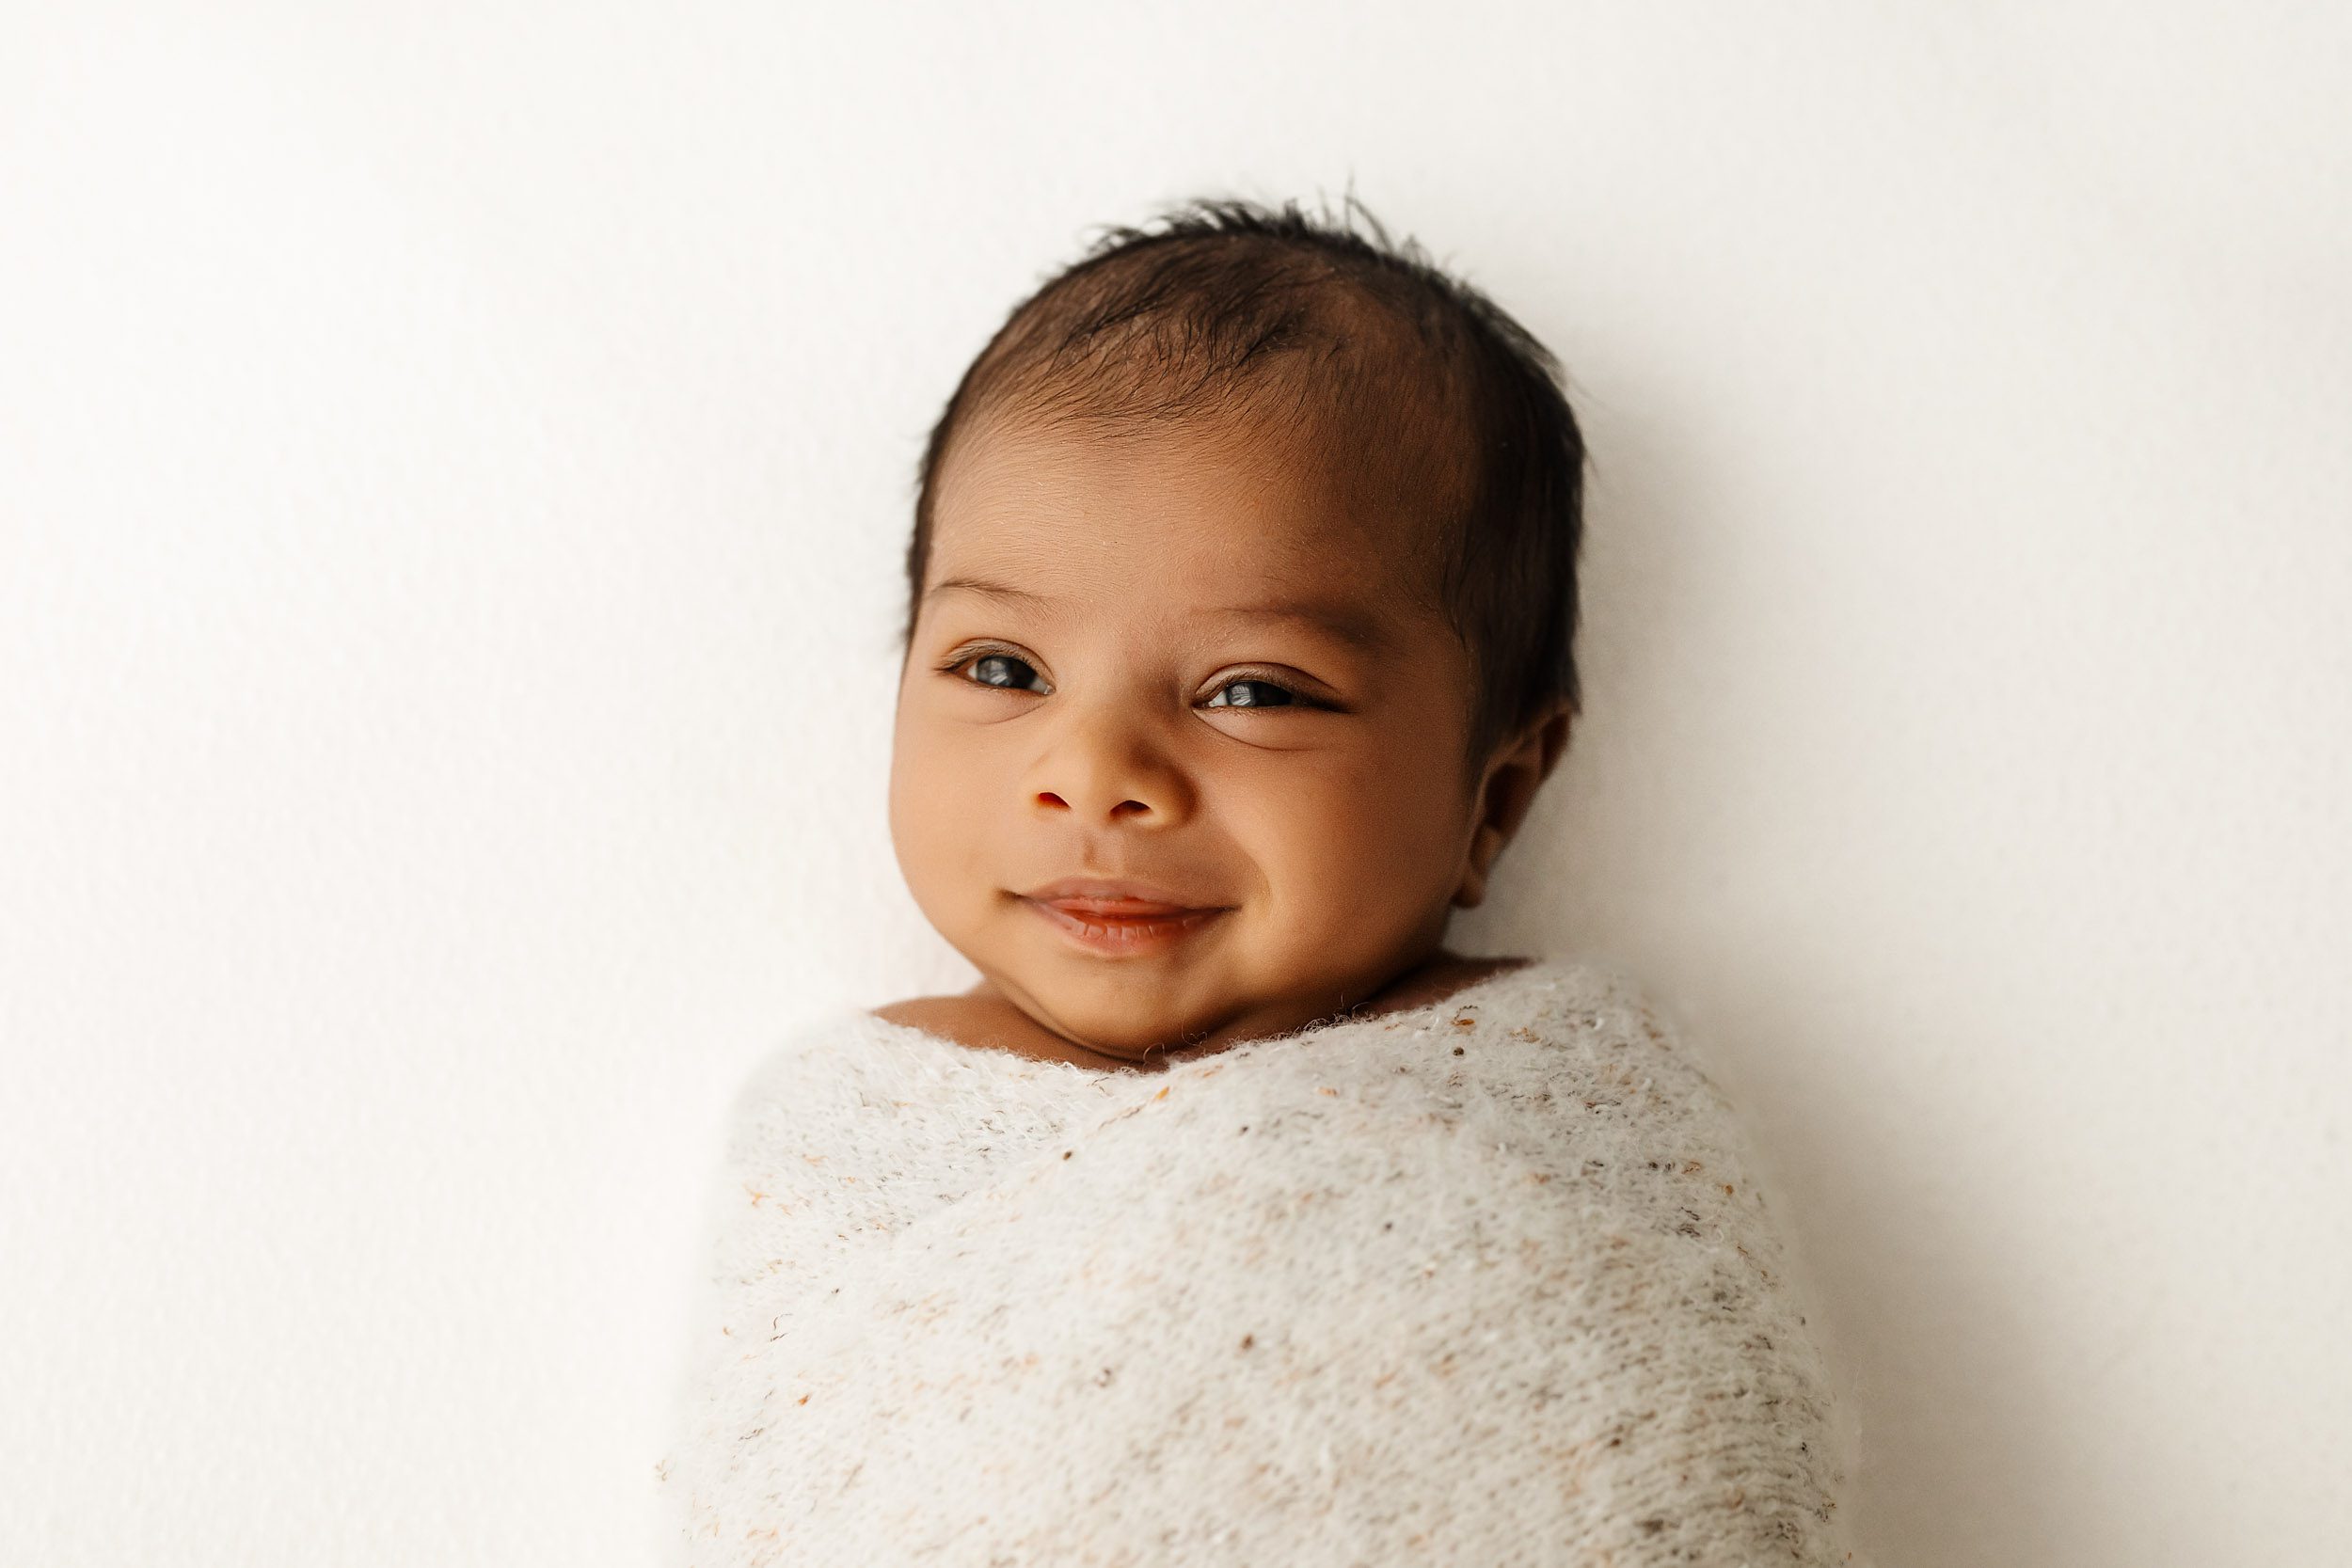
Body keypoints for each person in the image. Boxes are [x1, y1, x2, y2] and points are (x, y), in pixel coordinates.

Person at [660, 197, 1864, 1565]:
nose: (1097, 770)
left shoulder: (1573, 1110)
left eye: (1252, 691)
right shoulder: (842, 1139)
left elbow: (1702, 1469)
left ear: (1500, 794)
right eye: (1003, 669)